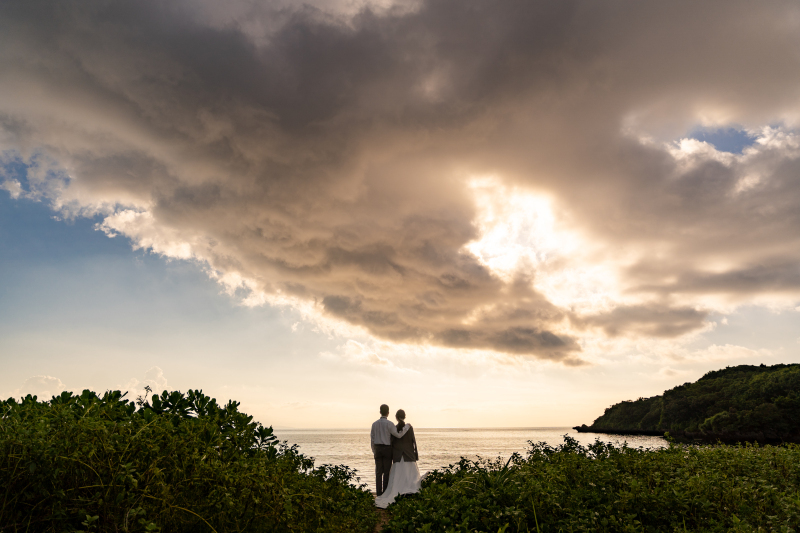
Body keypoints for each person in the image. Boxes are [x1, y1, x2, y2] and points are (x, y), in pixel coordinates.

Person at [374, 409, 420, 508]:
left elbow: (392, 441)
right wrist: (415, 454)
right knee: (409, 474)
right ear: (405, 416)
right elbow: (413, 441)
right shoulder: (409, 428)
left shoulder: (394, 428)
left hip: (398, 455)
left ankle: (383, 493)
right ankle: (408, 490)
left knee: (395, 474)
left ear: (396, 417)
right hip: (408, 454)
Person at [371, 404, 410, 496]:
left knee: (378, 472)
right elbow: (399, 435)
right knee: (386, 472)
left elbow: (372, 439)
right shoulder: (390, 424)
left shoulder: (374, 424)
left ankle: (378, 493)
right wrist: (406, 427)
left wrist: (374, 450)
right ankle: (385, 493)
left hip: (377, 448)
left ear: (380, 412)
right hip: (387, 449)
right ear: (388, 413)